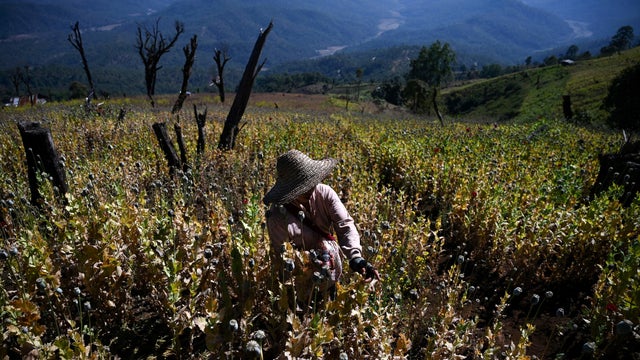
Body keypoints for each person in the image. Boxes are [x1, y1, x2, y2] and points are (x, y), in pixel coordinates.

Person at [263, 149, 380, 298]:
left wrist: (356, 257)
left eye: (311, 182)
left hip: (331, 273)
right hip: (301, 284)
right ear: (289, 189)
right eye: (302, 187)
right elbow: (283, 257)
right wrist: (310, 261)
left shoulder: (325, 193)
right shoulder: (277, 217)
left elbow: (345, 225)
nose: (310, 188)